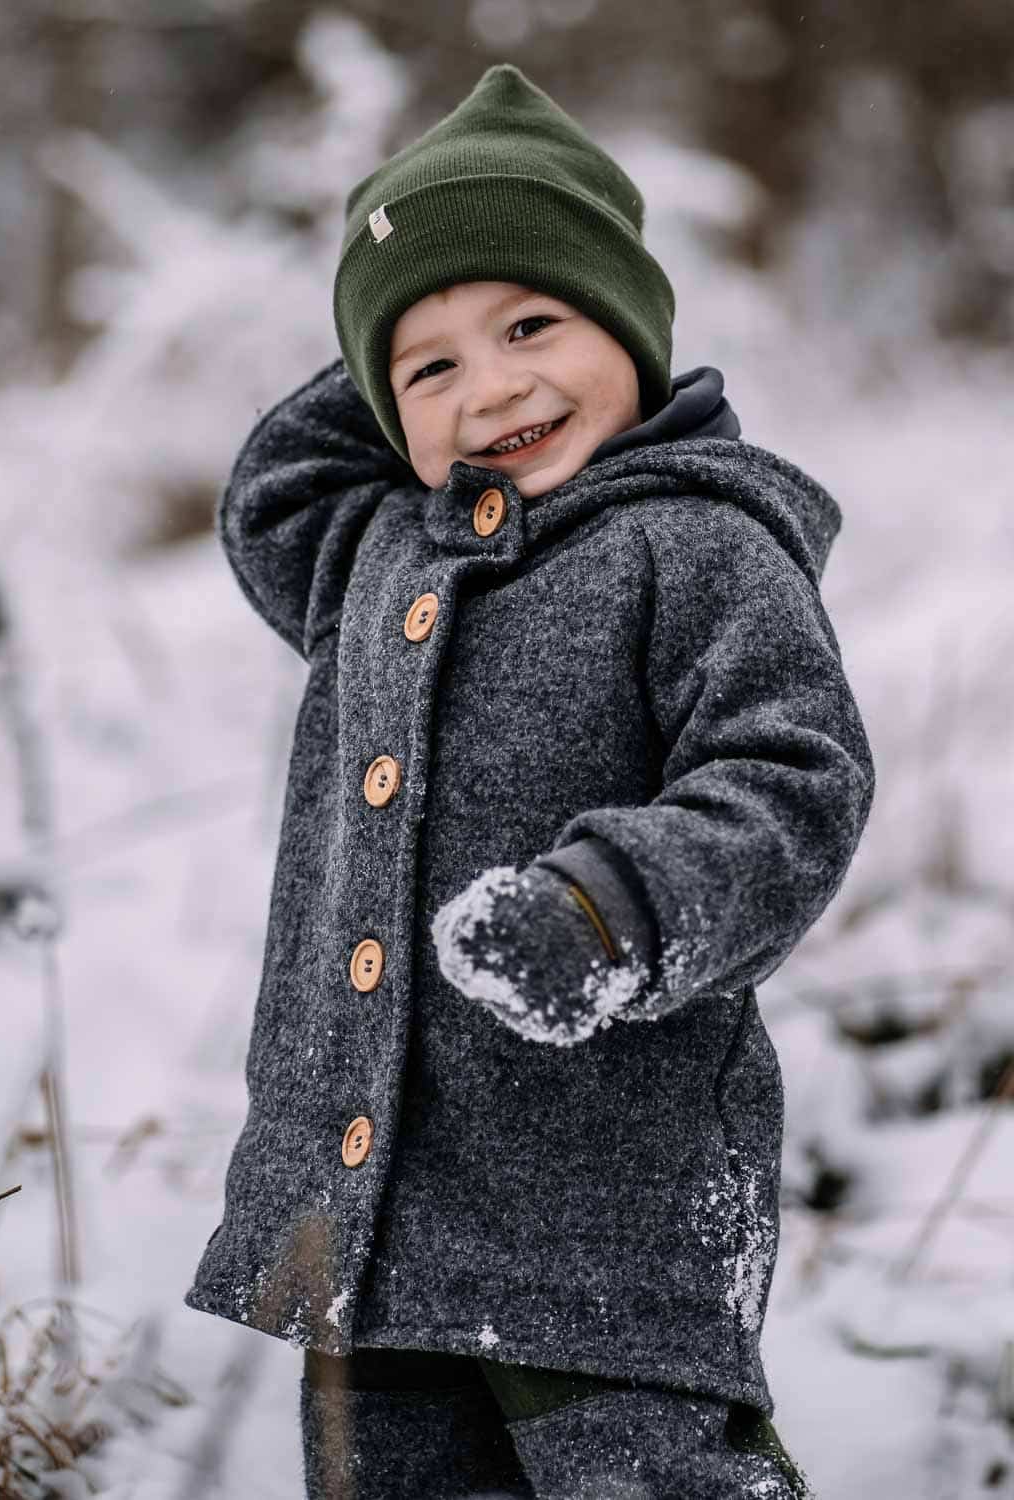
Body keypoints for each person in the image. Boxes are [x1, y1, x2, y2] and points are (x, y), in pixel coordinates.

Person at [184, 62, 874, 1500]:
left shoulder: (698, 546)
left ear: (631, 326)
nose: (493, 386)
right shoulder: (380, 550)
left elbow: (793, 779)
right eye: (430, 367)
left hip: (605, 1213)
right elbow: (270, 496)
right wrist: (391, 294)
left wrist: (613, 908)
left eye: (533, 324)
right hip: (371, 1212)